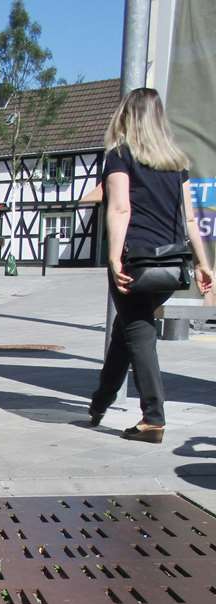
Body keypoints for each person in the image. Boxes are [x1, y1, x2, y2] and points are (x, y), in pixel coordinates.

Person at [89, 88, 213, 443]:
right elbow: (191, 219)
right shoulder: (177, 164)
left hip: (136, 261)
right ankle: (100, 403)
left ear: (126, 116)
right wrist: (205, 265)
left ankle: (153, 418)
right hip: (171, 267)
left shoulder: (119, 155)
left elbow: (120, 208)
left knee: (138, 331)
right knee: (127, 331)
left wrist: (113, 257)